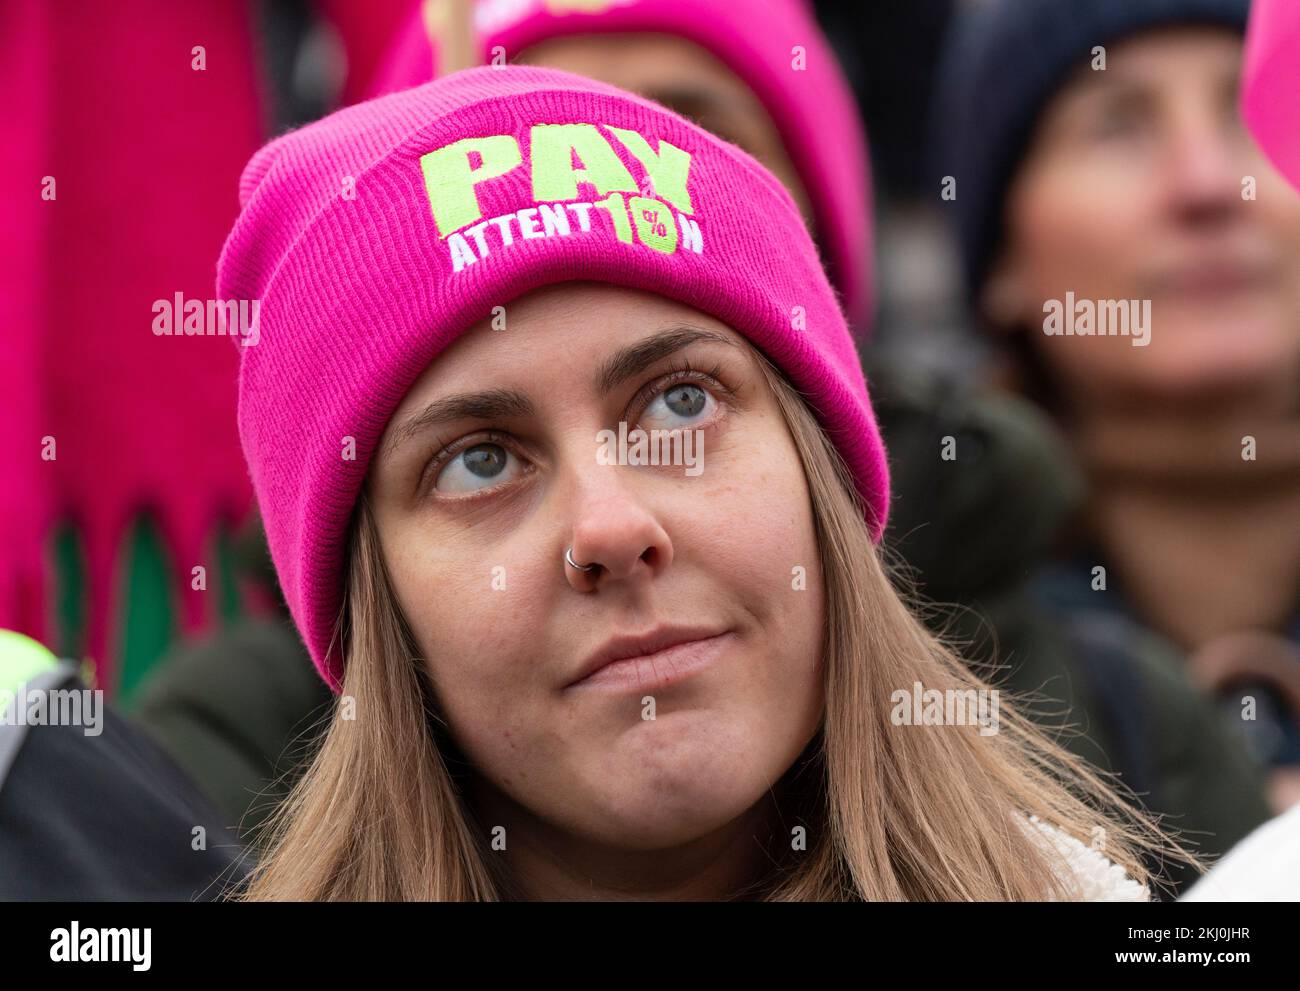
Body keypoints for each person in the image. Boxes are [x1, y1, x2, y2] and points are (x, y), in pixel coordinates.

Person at [133, 0, 1270, 894]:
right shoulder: (198, 773)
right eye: (479, 459)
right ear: (368, 597)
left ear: (822, 452)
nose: (613, 525)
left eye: (681, 404)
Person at [935, 0, 1300, 809]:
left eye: (1255, 111)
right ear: (1002, 259)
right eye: (1117, 125)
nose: (1207, 184)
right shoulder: (901, 657)